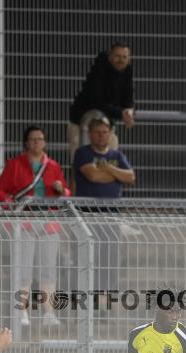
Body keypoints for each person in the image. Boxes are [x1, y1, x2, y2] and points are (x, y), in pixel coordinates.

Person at [0, 126, 70, 328]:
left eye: (40, 139)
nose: (37, 142)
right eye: (33, 139)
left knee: (48, 269)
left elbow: (65, 192)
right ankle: (22, 312)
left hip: (48, 220)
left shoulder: (52, 165)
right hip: (24, 220)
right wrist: (12, 206)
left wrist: (63, 190)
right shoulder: (15, 164)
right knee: (23, 268)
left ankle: (49, 313)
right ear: (26, 142)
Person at [73, 116, 135, 299]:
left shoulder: (116, 155)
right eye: (98, 132)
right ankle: (85, 299)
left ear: (110, 134)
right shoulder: (82, 153)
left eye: (105, 132)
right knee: (87, 259)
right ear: (90, 134)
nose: (101, 136)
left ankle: (104, 301)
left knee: (110, 260)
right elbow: (93, 176)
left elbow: (131, 177)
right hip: (87, 217)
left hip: (111, 217)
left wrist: (107, 168)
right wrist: (116, 175)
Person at [68, 41, 135, 162]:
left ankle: (106, 180)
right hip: (81, 122)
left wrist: (129, 111)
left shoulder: (127, 71)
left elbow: (128, 96)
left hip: (105, 124)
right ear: (110, 56)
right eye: (117, 56)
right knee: (79, 163)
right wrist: (121, 113)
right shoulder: (99, 70)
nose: (121, 60)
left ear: (129, 59)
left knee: (110, 159)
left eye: (124, 57)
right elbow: (96, 102)